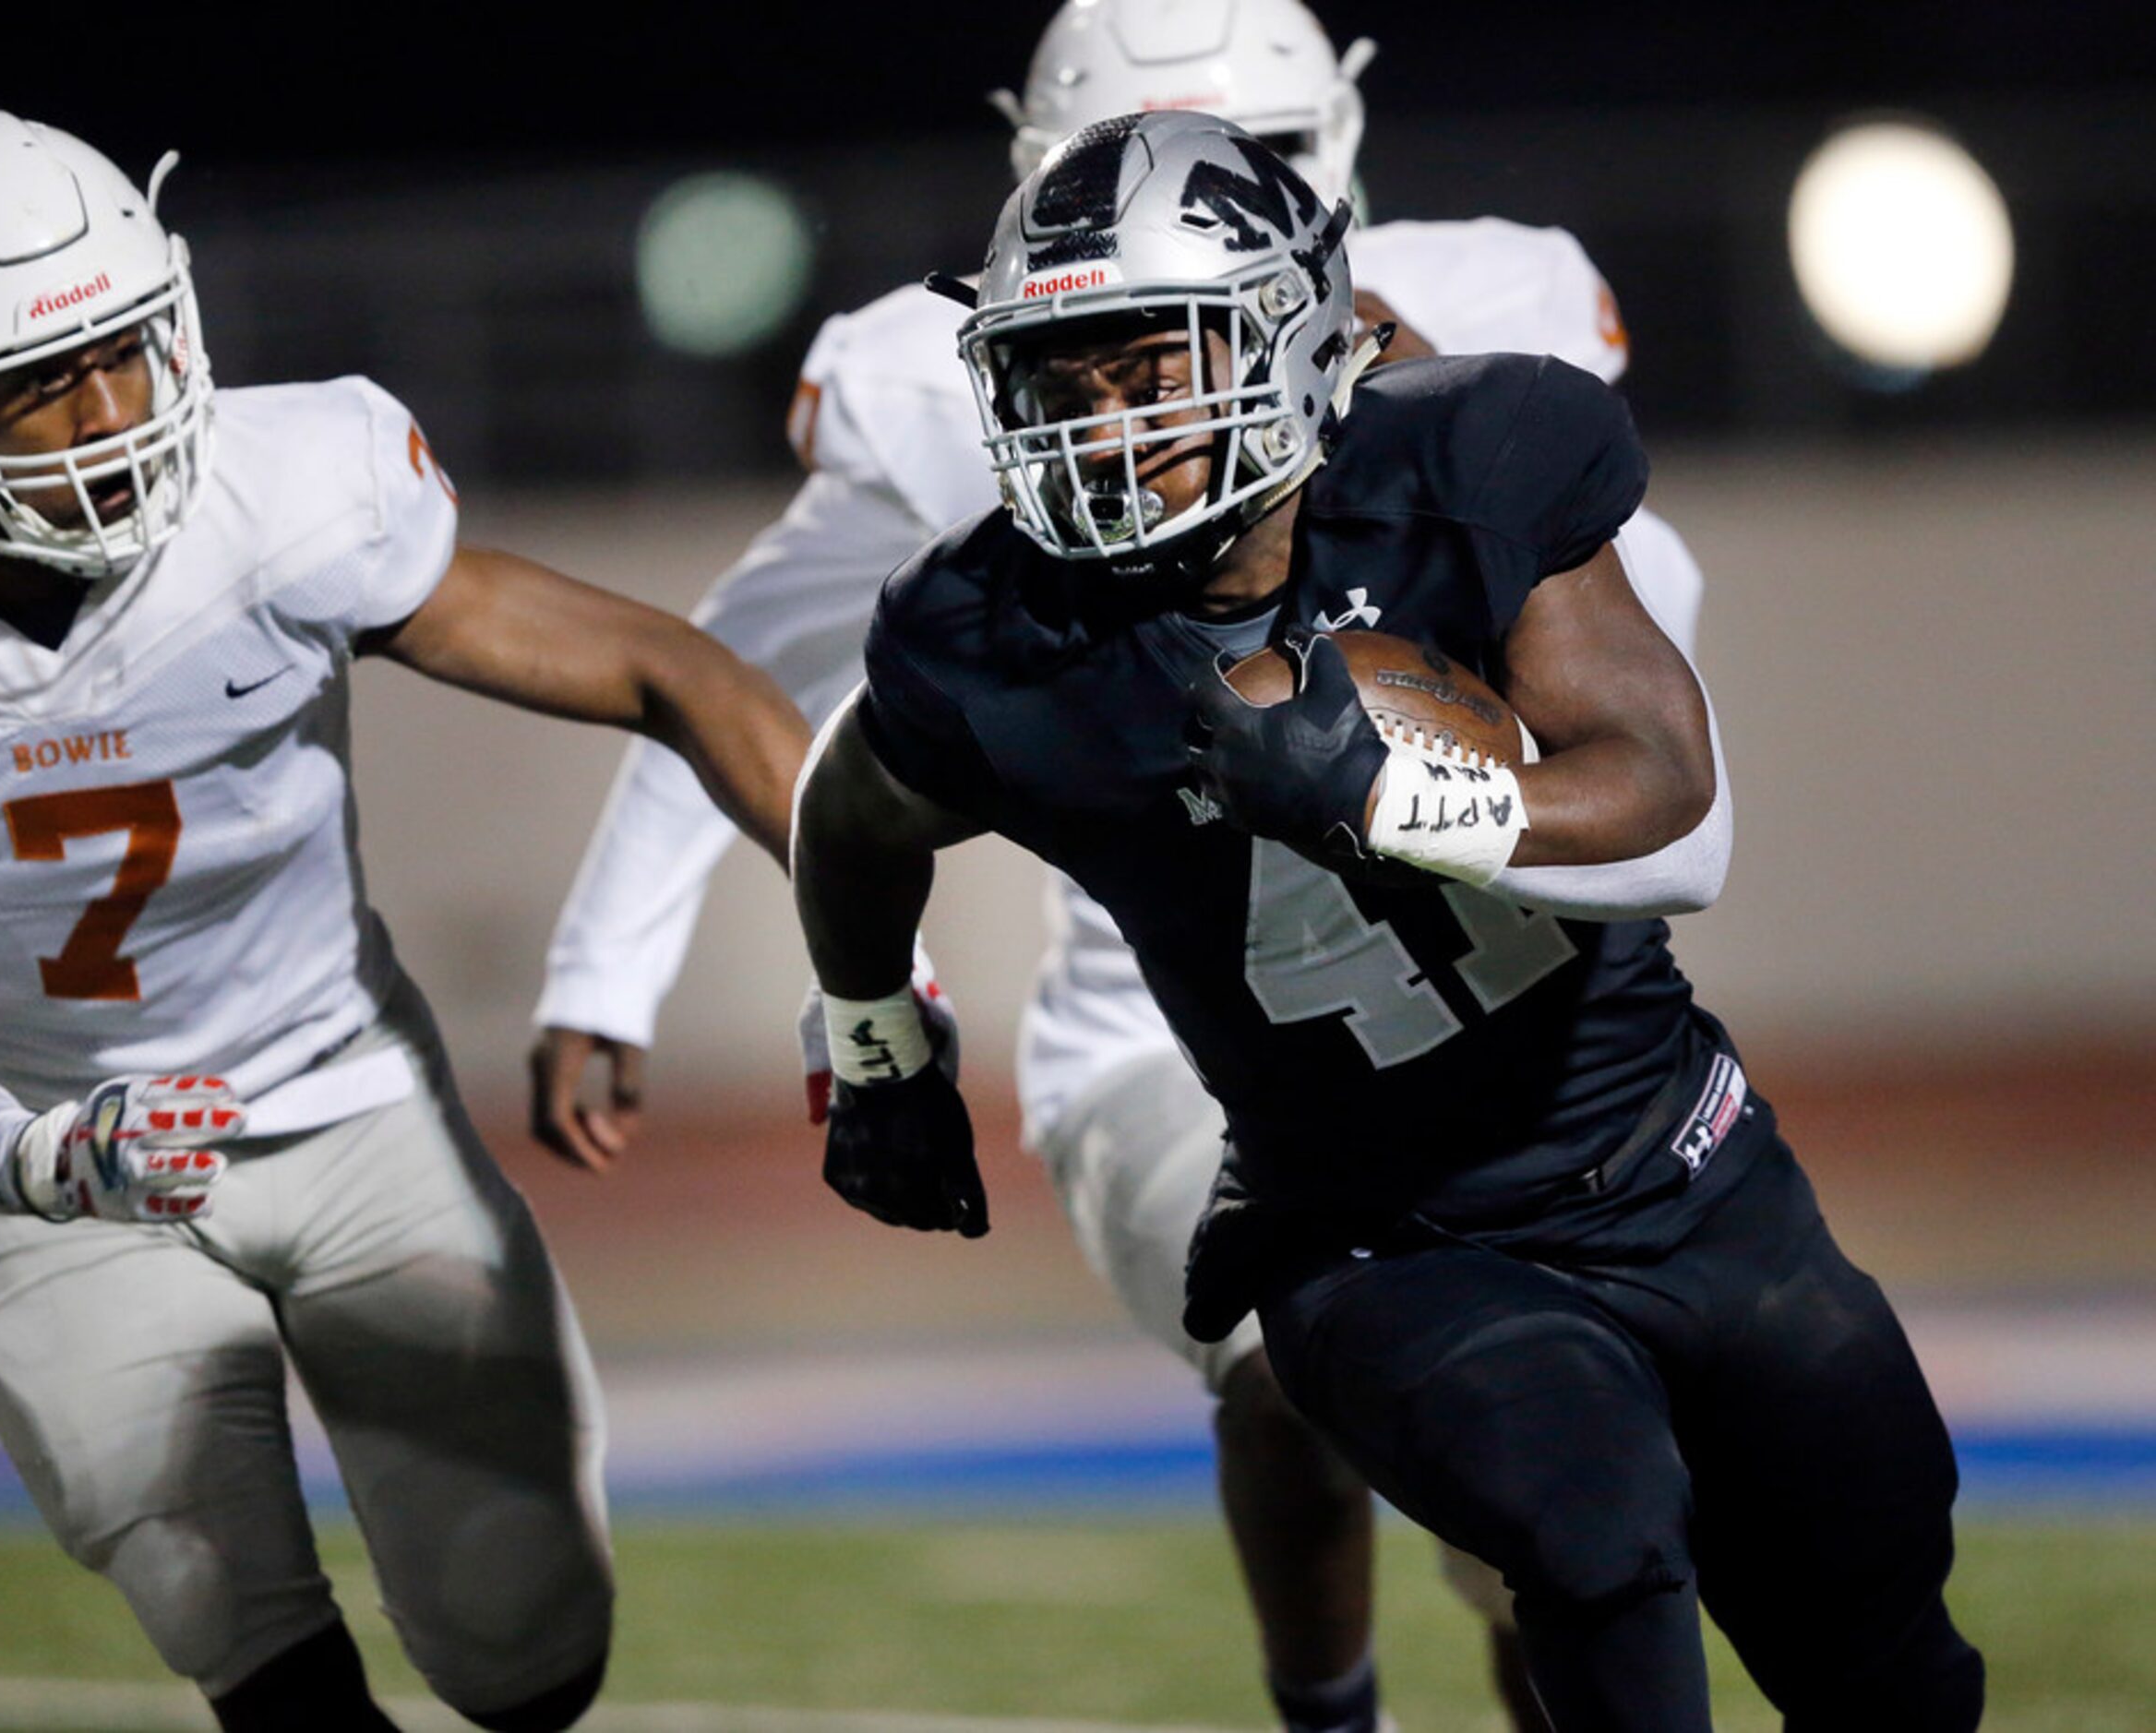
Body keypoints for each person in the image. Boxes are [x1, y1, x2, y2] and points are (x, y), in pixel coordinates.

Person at [532, 5, 1692, 1727]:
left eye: (1270, 165)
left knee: (1560, 1495)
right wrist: (607, 966)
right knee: (1287, 1364)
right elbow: (747, 657)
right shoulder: (958, 370)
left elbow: (1645, 626)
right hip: (1176, 1030)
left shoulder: (1506, 305)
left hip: (1491, 975)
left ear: (1341, 148)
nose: (1205, 213)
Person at [792, 110, 1984, 1733]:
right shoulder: (994, 633)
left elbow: (1674, 806)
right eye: (1061, 375)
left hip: (1681, 1164)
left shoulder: (1466, 461)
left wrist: (1398, 796)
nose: (1101, 418)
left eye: (1148, 361)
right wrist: (877, 1046)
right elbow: (846, 812)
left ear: (1288, 333)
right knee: (1597, 1536)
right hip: (1379, 1238)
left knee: (1890, 1649)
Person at [0, 113, 808, 1732]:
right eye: (31, 384)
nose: (106, 415)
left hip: (354, 1108)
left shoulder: (294, 486)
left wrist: (870, 956)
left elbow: (671, 670)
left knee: (527, 1645)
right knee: (215, 1591)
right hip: (66, 1152)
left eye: (125, 352)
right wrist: (54, 1159)